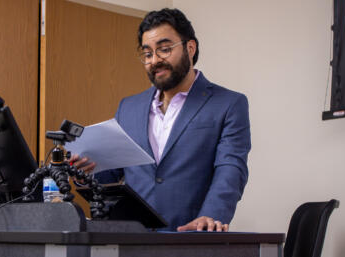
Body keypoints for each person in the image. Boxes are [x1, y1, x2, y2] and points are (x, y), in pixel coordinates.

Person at [72, 8, 251, 232]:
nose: (155, 60)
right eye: (147, 54)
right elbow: (111, 172)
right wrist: (83, 171)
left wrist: (211, 215)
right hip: (134, 241)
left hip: (190, 237)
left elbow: (231, 168)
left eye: (164, 50)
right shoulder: (128, 107)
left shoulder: (228, 104)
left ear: (190, 47)